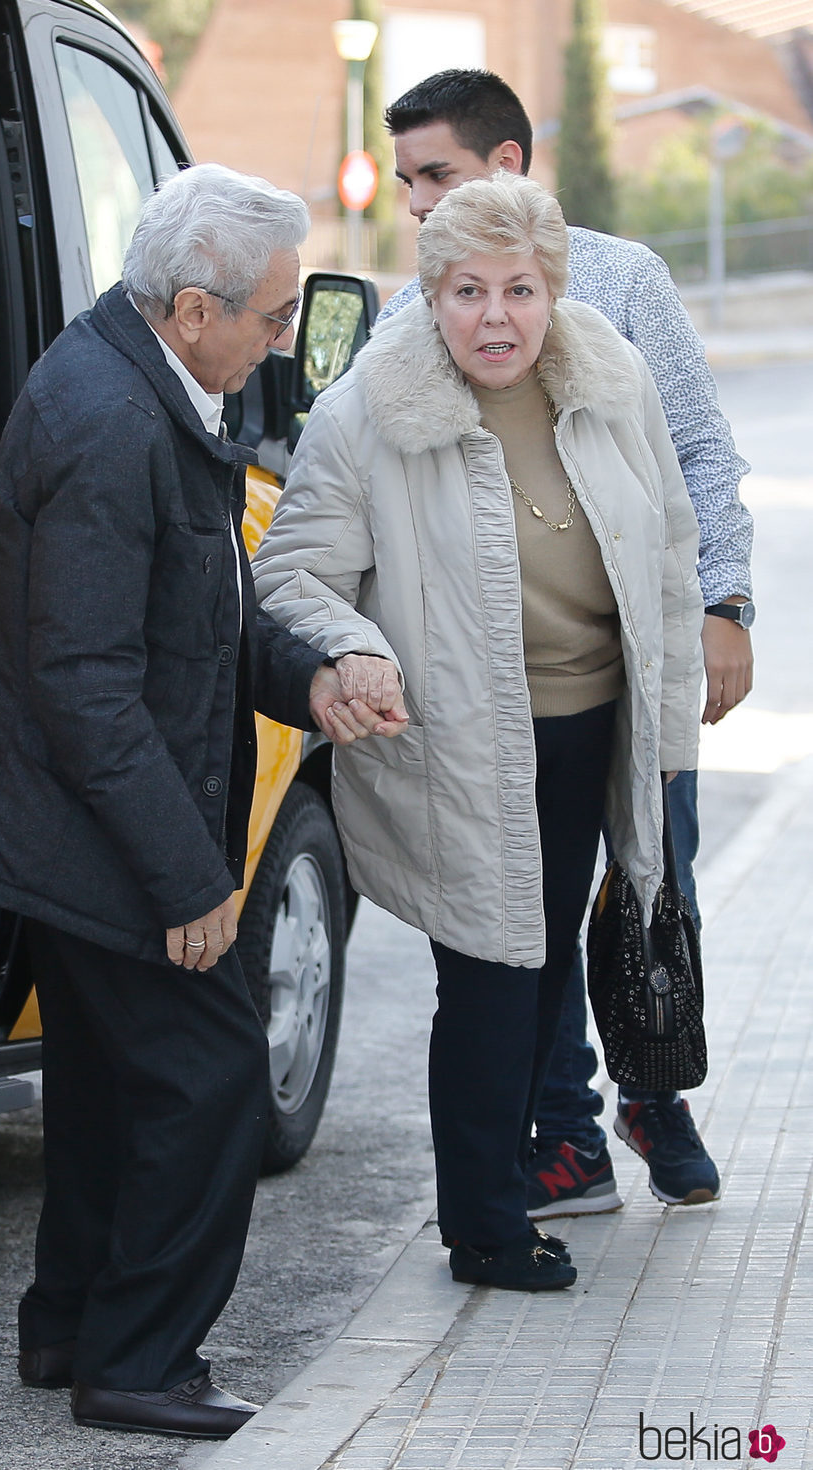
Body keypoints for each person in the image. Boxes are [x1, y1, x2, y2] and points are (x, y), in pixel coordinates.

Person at [0, 163, 401, 1440]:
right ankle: (140, 1362)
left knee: (104, 1080)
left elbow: (204, 616)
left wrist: (315, 677)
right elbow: (85, 686)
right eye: (275, 315)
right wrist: (192, 882)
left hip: (75, 816)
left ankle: (73, 1327)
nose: (283, 339)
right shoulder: (113, 422)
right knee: (207, 1074)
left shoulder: (147, 383)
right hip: (84, 828)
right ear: (195, 308)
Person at [253, 171, 704, 1292]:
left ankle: (515, 1182)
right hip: (460, 744)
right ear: (430, 292)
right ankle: (485, 1228)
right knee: (492, 984)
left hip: (593, 733)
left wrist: (668, 734)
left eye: (517, 289)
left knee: (548, 976)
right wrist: (351, 647)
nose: (492, 316)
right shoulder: (372, 403)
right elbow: (293, 572)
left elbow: (666, 548)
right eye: (464, 291)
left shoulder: (605, 369)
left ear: (550, 290)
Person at [380, 68, 755, 1217]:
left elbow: (700, 452)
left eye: (433, 173)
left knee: (649, 893)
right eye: (403, 183)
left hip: (637, 672)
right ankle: (566, 1140)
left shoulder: (623, 279)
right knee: (524, 925)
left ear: (507, 166)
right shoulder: (419, 307)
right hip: (510, 691)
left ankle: (656, 1097)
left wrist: (722, 608)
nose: (414, 202)